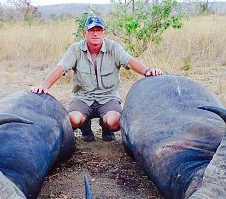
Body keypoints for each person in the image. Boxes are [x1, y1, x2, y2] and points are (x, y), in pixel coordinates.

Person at [31, 15, 163, 142]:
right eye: (92, 30)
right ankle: (85, 127)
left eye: (99, 30)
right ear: (85, 32)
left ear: (104, 32)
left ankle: (106, 129)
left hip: (108, 96)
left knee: (114, 122)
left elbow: (130, 61)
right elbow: (60, 68)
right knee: (72, 120)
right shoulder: (75, 49)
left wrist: (147, 71)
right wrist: (44, 85)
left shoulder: (114, 47)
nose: (95, 34)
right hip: (83, 97)